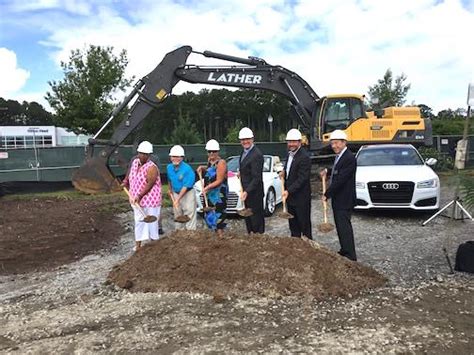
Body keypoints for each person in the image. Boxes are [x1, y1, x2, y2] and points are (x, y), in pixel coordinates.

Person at [320, 130, 357, 261]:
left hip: (344, 199)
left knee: (344, 227)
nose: (334, 146)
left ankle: (350, 255)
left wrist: (327, 194)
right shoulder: (340, 156)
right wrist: (328, 171)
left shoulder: (349, 158)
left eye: (336, 143)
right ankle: (344, 249)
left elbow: (341, 179)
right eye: (332, 143)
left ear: (344, 142)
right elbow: (337, 170)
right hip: (339, 199)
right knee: (340, 226)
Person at [122, 141, 162, 252]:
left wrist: (139, 195)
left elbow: (150, 184)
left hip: (151, 200)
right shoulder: (135, 162)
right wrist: (126, 181)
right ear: (138, 153)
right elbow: (130, 172)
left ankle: (155, 245)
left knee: (152, 223)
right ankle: (138, 246)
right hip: (136, 198)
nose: (142, 156)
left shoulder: (152, 168)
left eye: (145, 154)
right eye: (141, 153)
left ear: (149, 155)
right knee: (139, 222)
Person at [282, 129, 312, 239]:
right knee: (293, 226)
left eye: (294, 141)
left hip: (301, 199)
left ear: (299, 142)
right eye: (289, 142)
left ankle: (308, 249)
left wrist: (288, 190)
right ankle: (296, 249)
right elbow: (290, 173)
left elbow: (302, 179)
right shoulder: (289, 154)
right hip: (291, 198)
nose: (291, 144)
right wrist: (283, 174)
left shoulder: (304, 157)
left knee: (304, 225)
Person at [197, 139, 228, 236]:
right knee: (210, 216)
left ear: (218, 151)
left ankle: (221, 239)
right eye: (209, 151)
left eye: (214, 151)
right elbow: (211, 170)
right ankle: (216, 239)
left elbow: (219, 180)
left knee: (219, 219)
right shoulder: (210, 161)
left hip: (219, 195)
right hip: (210, 194)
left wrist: (207, 188)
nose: (211, 153)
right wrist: (203, 167)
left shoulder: (221, 163)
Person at [238, 127, 265, 234]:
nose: (245, 142)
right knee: (248, 219)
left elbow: (256, 178)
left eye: (247, 139)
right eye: (243, 140)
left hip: (255, 194)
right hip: (247, 193)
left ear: (252, 139)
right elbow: (247, 169)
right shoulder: (244, 153)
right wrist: (242, 173)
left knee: (256, 220)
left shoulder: (256, 155)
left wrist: (247, 191)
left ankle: (258, 240)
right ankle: (251, 239)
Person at [166, 145, 197, 230]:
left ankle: (191, 233)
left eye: (178, 157)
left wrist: (177, 200)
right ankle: (179, 233)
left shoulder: (187, 169)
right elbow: (169, 179)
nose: (175, 159)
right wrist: (170, 189)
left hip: (187, 193)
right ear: (170, 157)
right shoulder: (169, 167)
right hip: (176, 192)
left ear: (182, 157)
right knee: (177, 214)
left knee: (189, 212)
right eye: (173, 156)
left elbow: (185, 186)